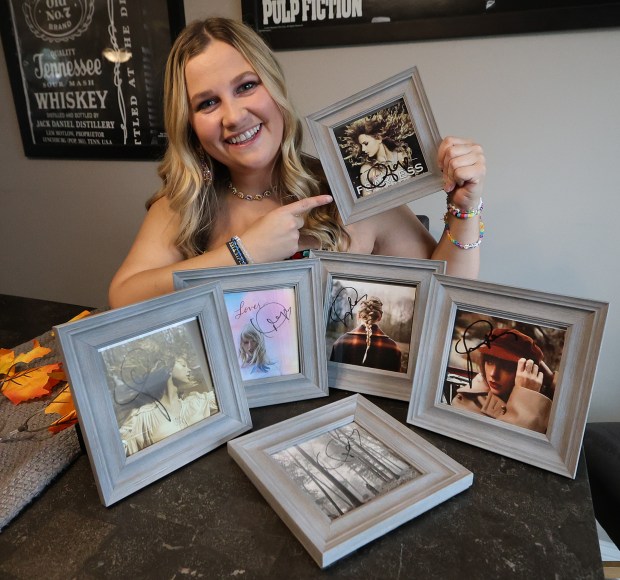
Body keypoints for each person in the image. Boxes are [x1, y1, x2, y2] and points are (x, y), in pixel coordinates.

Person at [108, 17, 486, 309]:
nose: (234, 116)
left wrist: (464, 209)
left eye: (246, 86)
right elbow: (123, 296)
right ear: (188, 124)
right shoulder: (184, 205)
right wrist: (243, 253)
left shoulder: (349, 186)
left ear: (275, 89)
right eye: (207, 103)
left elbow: (447, 300)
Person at [117, 343, 218, 456]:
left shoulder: (197, 402)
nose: (188, 369)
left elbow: (229, 396)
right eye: (183, 365)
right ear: (168, 368)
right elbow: (117, 453)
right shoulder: (143, 417)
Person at [451, 328, 554, 433]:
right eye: (490, 362)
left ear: (526, 371)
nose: (493, 374)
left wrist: (550, 379)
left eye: (506, 367)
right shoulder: (468, 403)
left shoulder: (542, 395)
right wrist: (526, 398)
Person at [338, 105, 424, 197]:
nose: (363, 149)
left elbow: (418, 184)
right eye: (361, 145)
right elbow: (367, 204)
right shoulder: (367, 169)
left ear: (378, 138)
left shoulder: (401, 155)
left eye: (366, 143)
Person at [329, 297, 402, 372]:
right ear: (380, 317)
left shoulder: (340, 342)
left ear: (358, 315)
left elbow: (332, 374)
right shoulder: (393, 348)